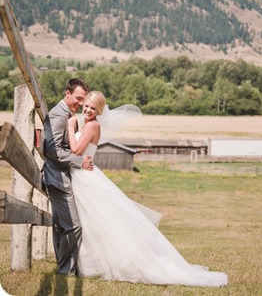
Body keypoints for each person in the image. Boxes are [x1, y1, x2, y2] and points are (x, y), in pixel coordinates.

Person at [67, 90, 228, 287]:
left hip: (85, 176)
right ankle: (91, 263)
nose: (89, 110)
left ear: (99, 110)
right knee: (91, 222)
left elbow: (75, 150)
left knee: (95, 222)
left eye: (93, 108)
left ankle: (100, 264)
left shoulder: (92, 125)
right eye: (87, 106)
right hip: (83, 174)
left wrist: (69, 126)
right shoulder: (87, 124)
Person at [42, 78, 93, 276]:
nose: (80, 103)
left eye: (83, 100)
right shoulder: (58, 115)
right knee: (73, 226)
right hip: (57, 178)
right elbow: (52, 150)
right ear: (67, 93)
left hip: (62, 177)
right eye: (78, 98)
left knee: (61, 227)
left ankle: (65, 268)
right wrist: (80, 162)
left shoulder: (68, 113)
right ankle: (65, 270)